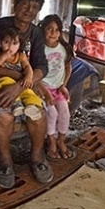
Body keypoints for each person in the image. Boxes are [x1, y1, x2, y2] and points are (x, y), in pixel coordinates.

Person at [0, 0, 52, 189]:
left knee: (38, 114)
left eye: (34, 7)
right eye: (25, 4)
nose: (28, 10)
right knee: (4, 115)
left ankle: (37, 157)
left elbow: (41, 66)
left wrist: (20, 85)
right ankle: (5, 162)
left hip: (22, 84)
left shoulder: (36, 33)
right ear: (15, 4)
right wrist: (17, 78)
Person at [37, 14, 75, 160]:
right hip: (42, 88)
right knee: (52, 113)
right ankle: (51, 140)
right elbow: (33, 73)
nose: (53, 33)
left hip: (57, 88)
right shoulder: (39, 49)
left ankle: (61, 140)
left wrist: (63, 85)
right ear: (43, 30)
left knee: (65, 112)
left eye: (57, 30)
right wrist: (44, 92)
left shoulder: (63, 49)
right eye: (49, 29)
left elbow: (68, 67)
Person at [0, 26, 44, 121]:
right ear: (0, 43)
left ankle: (31, 106)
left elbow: (27, 67)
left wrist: (28, 77)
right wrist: (3, 57)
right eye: (6, 42)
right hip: (1, 82)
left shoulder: (21, 56)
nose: (10, 47)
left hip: (17, 83)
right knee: (7, 80)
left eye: (14, 43)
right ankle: (16, 104)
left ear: (19, 45)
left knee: (28, 91)